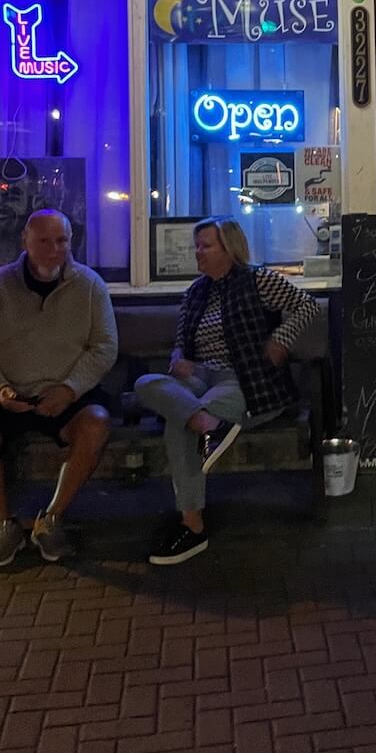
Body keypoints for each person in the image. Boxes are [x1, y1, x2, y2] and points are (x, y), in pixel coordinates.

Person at [135, 217, 320, 566]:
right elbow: (180, 342)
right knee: (146, 383)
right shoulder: (196, 291)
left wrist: (279, 340)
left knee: (179, 422)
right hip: (198, 378)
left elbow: (307, 305)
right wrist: (178, 359)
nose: (198, 253)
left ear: (229, 248)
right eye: (197, 246)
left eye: (206, 246)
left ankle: (192, 526)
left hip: (244, 379)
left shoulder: (257, 280)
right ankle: (208, 425)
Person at [0, 209, 116, 571]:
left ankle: (52, 520)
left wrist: (70, 389)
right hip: (6, 393)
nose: (54, 248)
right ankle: (5, 525)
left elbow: (104, 347)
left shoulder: (90, 286)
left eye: (61, 240)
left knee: (96, 423)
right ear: (25, 241)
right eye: (44, 240)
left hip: (66, 393)